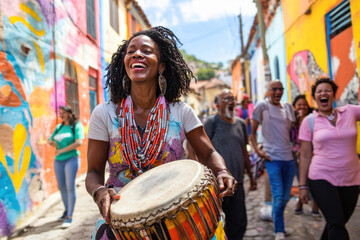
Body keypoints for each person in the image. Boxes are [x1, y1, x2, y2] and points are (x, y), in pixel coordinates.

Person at [85, 26, 237, 240]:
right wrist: (99, 191)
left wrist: (222, 171)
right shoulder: (104, 114)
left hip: (174, 214)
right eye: (131, 51)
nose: (137, 54)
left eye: (146, 51)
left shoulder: (180, 112)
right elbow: (93, 171)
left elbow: (208, 153)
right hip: (121, 220)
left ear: (162, 66)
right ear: (125, 63)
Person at [299, 77, 360, 240]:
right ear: (314, 97)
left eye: (327, 90)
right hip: (321, 176)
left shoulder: (350, 112)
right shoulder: (309, 121)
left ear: (333, 95)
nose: (323, 93)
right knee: (337, 223)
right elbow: (305, 155)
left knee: (337, 223)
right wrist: (302, 185)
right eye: (319, 91)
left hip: (352, 178)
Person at [204, 90, 257, 239]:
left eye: (232, 99)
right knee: (214, 223)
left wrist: (251, 176)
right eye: (226, 99)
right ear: (218, 106)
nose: (231, 102)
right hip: (216, 184)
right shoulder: (211, 123)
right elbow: (198, 149)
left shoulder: (240, 123)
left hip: (237, 183)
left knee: (239, 222)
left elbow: (244, 152)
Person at [249, 80, 296, 240]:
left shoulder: (288, 107)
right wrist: (258, 151)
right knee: (278, 195)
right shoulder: (262, 106)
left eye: (280, 89)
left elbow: (293, 131)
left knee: (285, 196)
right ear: (268, 91)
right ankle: (279, 231)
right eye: (274, 89)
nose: (277, 92)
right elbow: (252, 133)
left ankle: (274, 216)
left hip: (289, 159)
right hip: (272, 158)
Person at [47, 105, 84, 228]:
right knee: (61, 187)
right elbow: (50, 139)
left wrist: (62, 150)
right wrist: (51, 143)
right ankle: (66, 211)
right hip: (58, 161)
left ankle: (70, 216)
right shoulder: (59, 127)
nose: (61, 115)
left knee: (69, 186)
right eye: (60, 113)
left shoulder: (76, 126)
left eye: (63, 113)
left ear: (69, 113)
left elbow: (79, 142)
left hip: (71, 159)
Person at [290, 95, 320, 218]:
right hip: (297, 157)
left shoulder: (312, 120)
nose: (302, 107)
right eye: (299, 105)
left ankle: (314, 206)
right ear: (294, 107)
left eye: (304, 105)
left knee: (315, 180)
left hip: (313, 155)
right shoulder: (292, 122)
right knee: (302, 181)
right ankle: (301, 202)